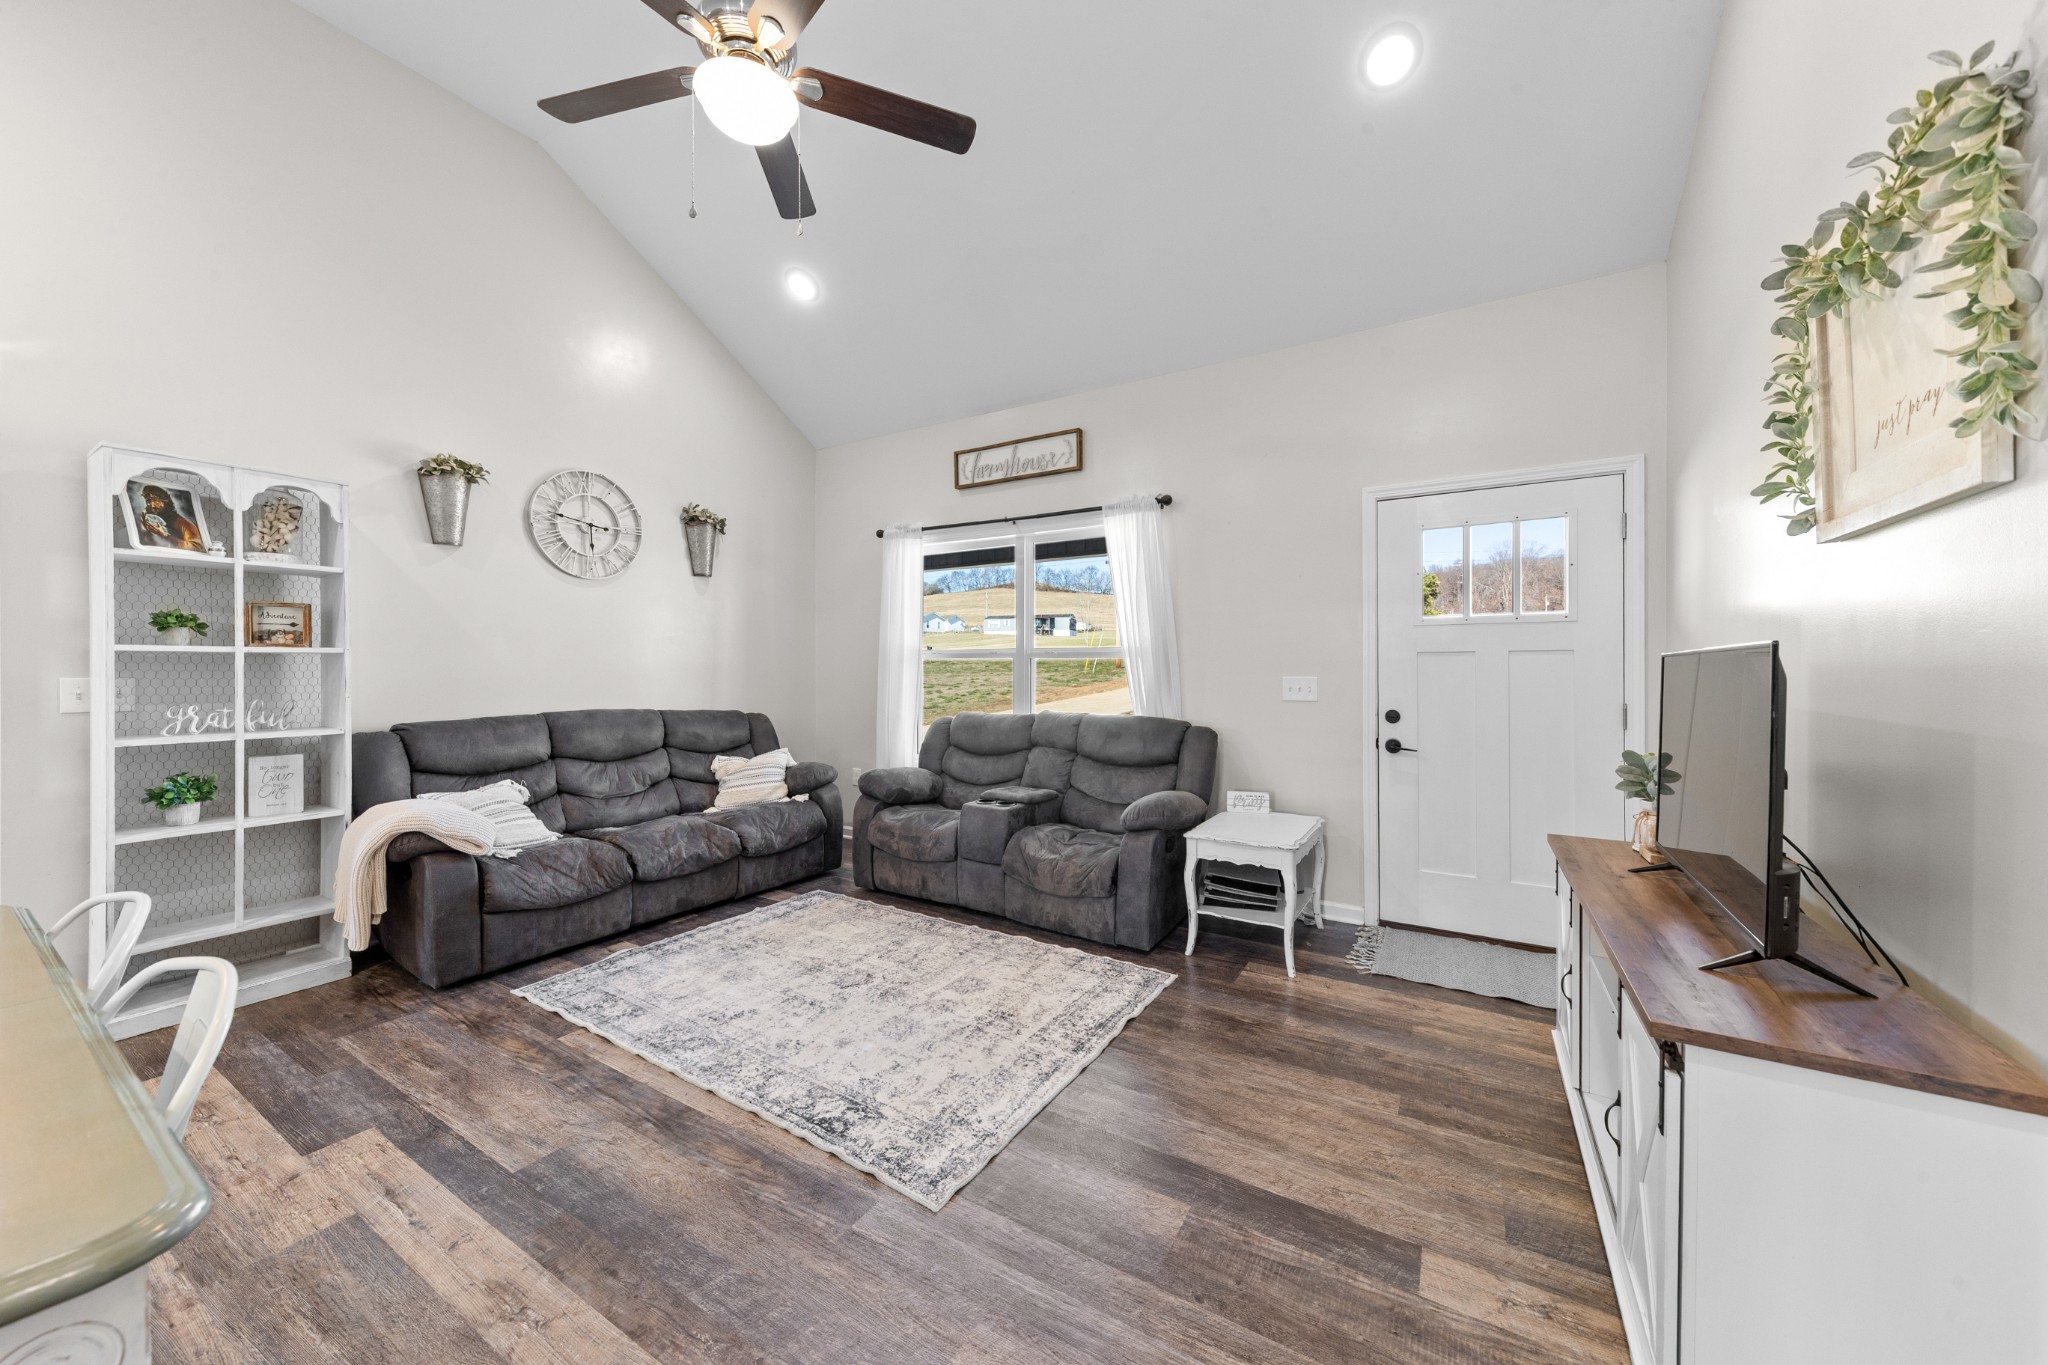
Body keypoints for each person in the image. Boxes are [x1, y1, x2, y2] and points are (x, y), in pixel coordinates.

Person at [134, 484, 206, 552]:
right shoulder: (145, 515)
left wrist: (165, 536)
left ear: (166, 502)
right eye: (149, 501)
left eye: (155, 500)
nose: (152, 505)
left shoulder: (184, 524)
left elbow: (197, 548)